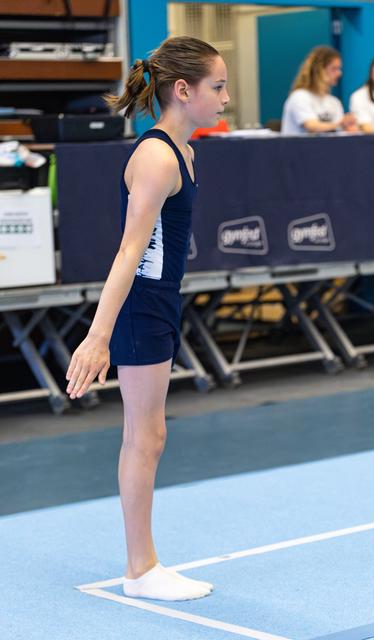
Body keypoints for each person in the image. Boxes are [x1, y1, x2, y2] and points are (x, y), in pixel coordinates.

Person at [65, 36, 229, 601]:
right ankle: (141, 569)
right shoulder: (158, 156)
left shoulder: (186, 151)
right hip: (139, 303)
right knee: (145, 435)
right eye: (219, 86)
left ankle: (144, 565)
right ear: (183, 90)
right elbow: (129, 250)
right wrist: (98, 337)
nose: (225, 98)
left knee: (149, 434)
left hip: (159, 299)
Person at [281, 45, 357, 135]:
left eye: (339, 69)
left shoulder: (334, 102)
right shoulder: (299, 97)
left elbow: (337, 131)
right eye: (334, 68)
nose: (339, 73)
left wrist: (348, 128)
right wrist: (340, 123)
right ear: (318, 70)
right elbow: (311, 126)